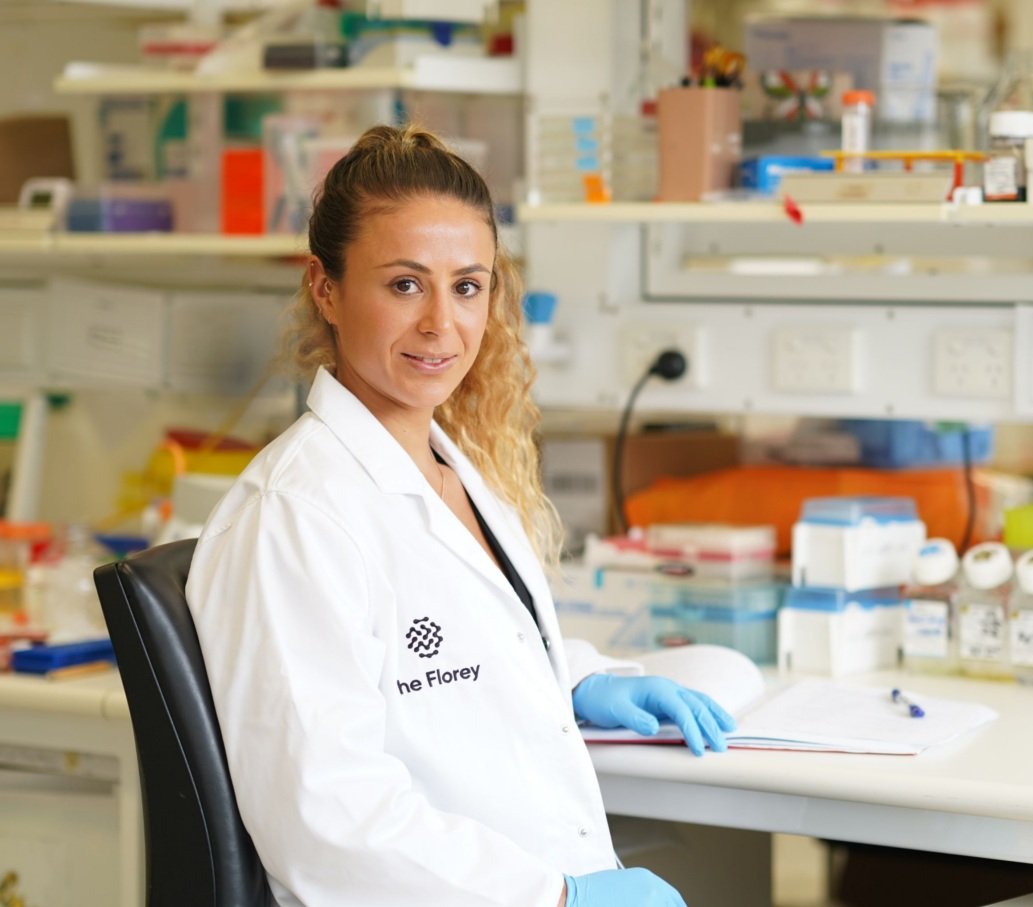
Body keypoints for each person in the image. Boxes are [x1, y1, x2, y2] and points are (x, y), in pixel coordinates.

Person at [186, 123, 737, 907]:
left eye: (467, 286)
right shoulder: (297, 515)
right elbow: (328, 817)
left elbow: (436, 657)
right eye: (405, 284)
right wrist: (558, 898)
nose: (442, 324)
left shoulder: (449, 464)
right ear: (326, 287)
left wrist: (571, 677)